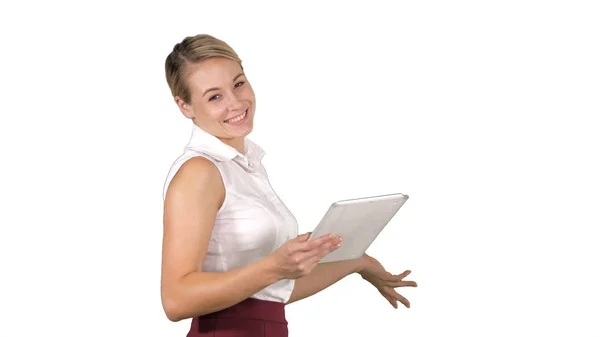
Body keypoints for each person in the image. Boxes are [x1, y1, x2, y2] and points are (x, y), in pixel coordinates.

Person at [161, 34, 417, 337]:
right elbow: (176, 300)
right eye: (214, 96)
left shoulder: (245, 167)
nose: (236, 102)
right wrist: (274, 266)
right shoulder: (199, 172)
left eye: (238, 83)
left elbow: (272, 294)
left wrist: (358, 262)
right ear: (185, 106)